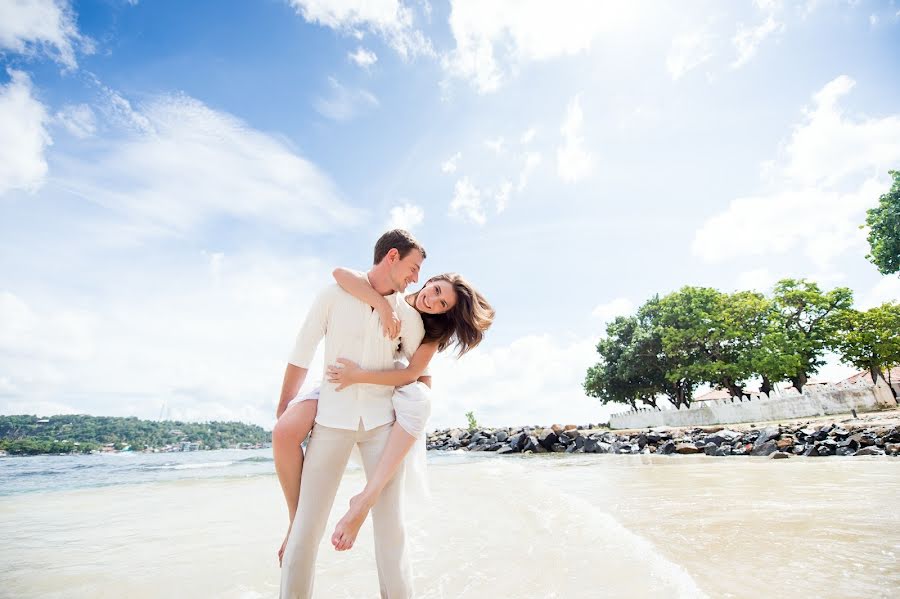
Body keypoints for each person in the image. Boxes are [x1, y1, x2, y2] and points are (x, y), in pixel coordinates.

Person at [275, 229, 427, 599]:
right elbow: (302, 352)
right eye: (413, 267)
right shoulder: (333, 295)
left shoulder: (409, 317)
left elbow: (419, 374)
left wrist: (411, 421)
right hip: (331, 422)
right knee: (304, 533)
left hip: (382, 426)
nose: (416, 278)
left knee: (393, 533)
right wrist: (285, 410)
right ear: (392, 256)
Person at [324, 268, 494, 552]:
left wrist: (357, 375)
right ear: (430, 280)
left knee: (420, 402)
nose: (433, 301)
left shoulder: (431, 331)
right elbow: (340, 274)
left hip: (409, 384)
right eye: (436, 291)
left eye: (443, 305)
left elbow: (411, 375)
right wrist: (381, 305)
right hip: (383, 376)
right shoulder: (395, 292)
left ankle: (366, 499)